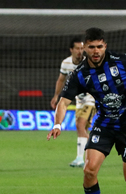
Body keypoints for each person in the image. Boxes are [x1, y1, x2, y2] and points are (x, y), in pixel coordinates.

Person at [47, 28, 126, 194]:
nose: (96, 51)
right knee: (89, 170)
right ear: (85, 49)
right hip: (104, 126)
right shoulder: (79, 74)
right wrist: (58, 124)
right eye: (91, 47)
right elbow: (63, 102)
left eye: (99, 46)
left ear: (105, 46)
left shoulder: (121, 61)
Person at [50, 37, 96, 167]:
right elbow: (61, 80)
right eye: (77, 48)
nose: (80, 51)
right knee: (82, 129)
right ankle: (89, 157)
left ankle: (81, 158)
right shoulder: (66, 63)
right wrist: (56, 96)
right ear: (71, 50)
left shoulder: (90, 62)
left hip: (92, 99)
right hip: (78, 100)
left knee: (80, 125)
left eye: (82, 48)